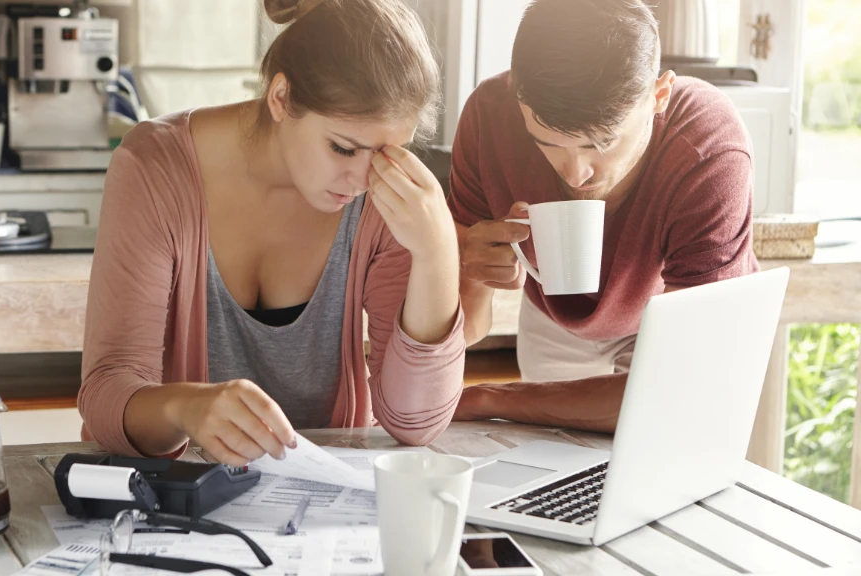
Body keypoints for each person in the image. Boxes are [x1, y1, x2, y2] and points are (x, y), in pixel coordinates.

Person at [78, 0, 465, 465]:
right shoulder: (155, 167)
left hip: (327, 513)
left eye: (385, 154)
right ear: (280, 98)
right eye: (343, 148)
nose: (363, 182)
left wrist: (438, 253)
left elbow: (415, 423)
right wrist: (187, 408)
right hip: (172, 507)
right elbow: (105, 393)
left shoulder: (384, 196)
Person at [450, 0, 758, 432]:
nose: (576, 174)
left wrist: (490, 397)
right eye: (548, 142)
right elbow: (469, 325)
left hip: (669, 313)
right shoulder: (489, 115)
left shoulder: (708, 149)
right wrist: (470, 269)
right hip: (554, 315)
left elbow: (681, 387)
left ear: (658, 96)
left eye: (601, 142)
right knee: (557, 470)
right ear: (516, 89)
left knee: (668, 447)